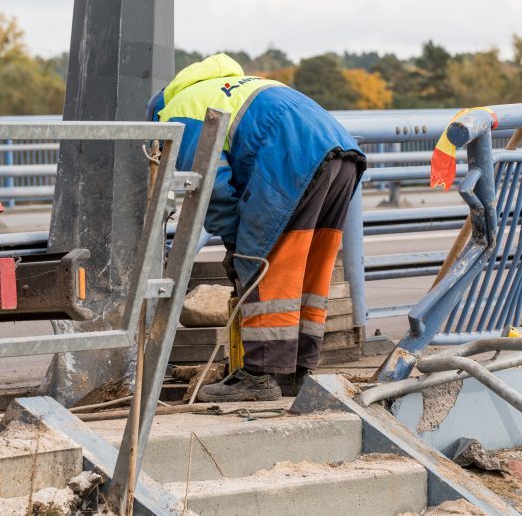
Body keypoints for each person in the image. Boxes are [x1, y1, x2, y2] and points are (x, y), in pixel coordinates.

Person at [147, 53, 365, 401]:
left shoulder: (178, 112)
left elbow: (211, 187)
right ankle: (296, 371)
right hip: (341, 153)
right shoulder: (231, 86)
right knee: (309, 266)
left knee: (263, 262)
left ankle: (260, 376)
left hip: (292, 158)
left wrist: (236, 245)